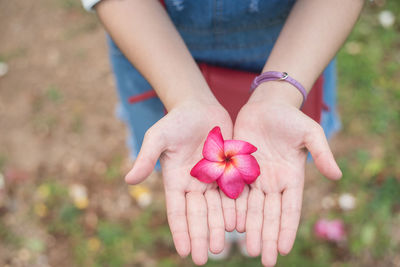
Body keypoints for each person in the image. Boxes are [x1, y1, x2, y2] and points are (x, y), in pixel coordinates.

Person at [81, 0, 364, 266]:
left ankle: (238, 224)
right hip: (153, 51)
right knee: (174, 148)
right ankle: (228, 225)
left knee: (275, 163)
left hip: (295, 49)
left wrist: (280, 96)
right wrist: (183, 97)